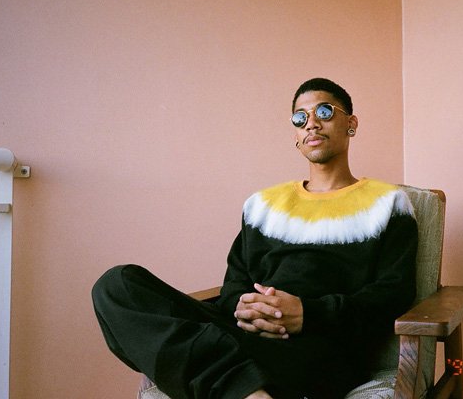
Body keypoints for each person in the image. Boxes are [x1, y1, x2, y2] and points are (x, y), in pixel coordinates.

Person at [92, 78, 418, 399]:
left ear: (351, 123)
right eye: (300, 118)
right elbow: (234, 284)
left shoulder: (387, 203)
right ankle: (249, 392)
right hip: (245, 339)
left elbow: (393, 294)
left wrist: (307, 313)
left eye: (324, 111)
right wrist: (243, 308)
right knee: (117, 284)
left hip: (318, 349)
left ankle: (232, 383)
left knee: (196, 345)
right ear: (296, 134)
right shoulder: (262, 206)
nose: (311, 123)